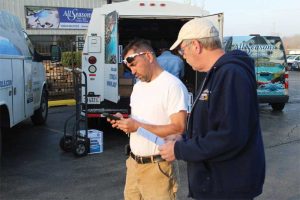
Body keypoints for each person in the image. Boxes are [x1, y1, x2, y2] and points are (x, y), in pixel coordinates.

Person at [159, 18, 266, 200]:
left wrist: (179, 150)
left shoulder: (231, 74)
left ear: (196, 45)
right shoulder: (216, 73)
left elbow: (231, 136)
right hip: (217, 184)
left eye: (182, 50)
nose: (183, 56)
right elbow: (213, 125)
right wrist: (183, 139)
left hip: (228, 187)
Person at [108, 38, 189, 200]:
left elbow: (179, 127)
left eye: (134, 65)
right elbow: (139, 120)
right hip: (133, 165)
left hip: (157, 168)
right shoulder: (138, 86)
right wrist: (124, 122)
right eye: (128, 67)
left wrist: (138, 126)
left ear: (149, 57)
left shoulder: (172, 86)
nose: (132, 71)